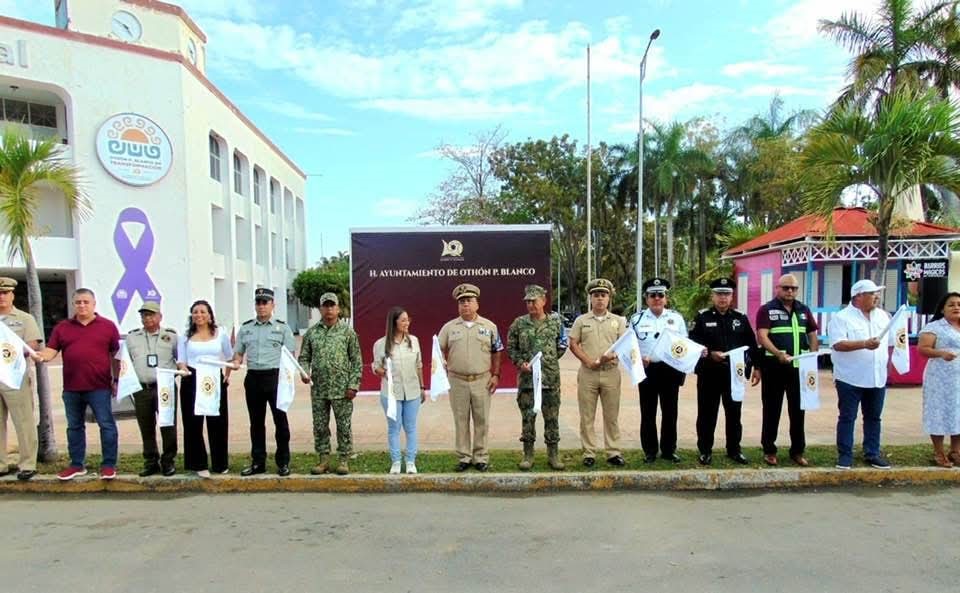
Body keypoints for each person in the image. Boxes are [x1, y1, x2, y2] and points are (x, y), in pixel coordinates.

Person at [31, 288, 120, 481]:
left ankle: (108, 465)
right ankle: (77, 465)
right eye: (78, 302)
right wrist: (41, 356)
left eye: (86, 302)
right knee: (74, 428)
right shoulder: (63, 327)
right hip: (72, 388)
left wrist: (116, 379)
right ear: (73, 304)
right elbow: (51, 350)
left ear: (94, 304)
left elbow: (116, 355)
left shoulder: (108, 326)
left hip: (100, 387)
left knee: (106, 425)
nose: (82, 305)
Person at [689, 277, 760, 465]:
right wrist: (710, 353)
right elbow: (692, 344)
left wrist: (757, 367)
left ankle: (734, 450)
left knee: (734, 414)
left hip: (734, 375)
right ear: (713, 296)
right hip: (709, 374)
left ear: (732, 296)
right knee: (707, 414)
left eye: (727, 294)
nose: (723, 298)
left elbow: (751, 344)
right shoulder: (702, 317)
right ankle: (705, 450)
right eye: (719, 294)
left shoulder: (740, 318)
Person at [438, 283, 503, 472]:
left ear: (477, 304)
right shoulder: (449, 328)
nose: (465, 304)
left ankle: (480, 456)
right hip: (457, 380)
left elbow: (497, 350)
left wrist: (496, 375)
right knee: (461, 420)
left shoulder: (489, 326)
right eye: (462, 302)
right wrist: (441, 362)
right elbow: (438, 349)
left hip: (482, 380)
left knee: (482, 419)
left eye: (469, 300)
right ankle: (464, 457)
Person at [828, 279, 893, 470]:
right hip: (850, 378)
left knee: (874, 417)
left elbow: (889, 344)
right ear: (858, 296)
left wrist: (888, 365)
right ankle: (845, 455)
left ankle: (872, 453)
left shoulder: (883, 316)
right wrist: (864, 344)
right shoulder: (841, 318)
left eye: (877, 293)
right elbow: (838, 344)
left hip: (877, 377)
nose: (876, 297)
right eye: (872, 293)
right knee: (847, 417)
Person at [755, 273, 819, 467]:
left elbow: (812, 334)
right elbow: (762, 336)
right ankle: (769, 450)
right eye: (786, 288)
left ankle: (797, 451)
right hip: (774, 368)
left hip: (798, 370)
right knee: (771, 410)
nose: (790, 291)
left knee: (798, 412)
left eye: (793, 288)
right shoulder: (767, 310)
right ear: (777, 288)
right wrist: (778, 353)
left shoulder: (803, 310)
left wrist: (812, 356)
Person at [232, 288, 296, 477]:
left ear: (272, 305)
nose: (261, 306)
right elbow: (238, 353)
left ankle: (283, 462)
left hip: (275, 378)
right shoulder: (246, 328)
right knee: (256, 423)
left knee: (280, 421)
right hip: (254, 378)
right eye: (258, 302)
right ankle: (258, 462)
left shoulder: (283, 328)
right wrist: (236, 362)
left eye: (265, 302)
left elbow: (290, 356)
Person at [506, 284, 569, 471]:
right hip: (527, 381)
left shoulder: (556, 323)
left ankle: (553, 454)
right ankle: (528, 454)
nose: (531, 305)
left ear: (544, 301)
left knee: (552, 418)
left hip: (550, 380)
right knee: (528, 417)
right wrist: (520, 363)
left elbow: (562, 345)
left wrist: (548, 361)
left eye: (534, 301)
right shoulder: (519, 323)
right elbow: (511, 347)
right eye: (528, 302)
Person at [299, 292, 362, 476]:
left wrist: (353, 385)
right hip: (319, 388)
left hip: (342, 389)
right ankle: (323, 460)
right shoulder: (312, 333)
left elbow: (356, 360)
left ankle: (343, 459)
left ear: (338, 309)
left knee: (343, 425)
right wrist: (304, 372)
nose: (329, 309)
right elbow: (304, 357)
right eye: (325, 306)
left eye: (332, 305)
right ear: (320, 309)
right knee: (320, 426)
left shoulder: (347, 332)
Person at [569, 278, 626, 467]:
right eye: (596, 295)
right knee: (587, 415)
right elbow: (573, 344)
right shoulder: (581, 321)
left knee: (611, 415)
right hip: (588, 373)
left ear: (609, 298)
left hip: (611, 373)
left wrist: (611, 356)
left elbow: (623, 345)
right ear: (590, 298)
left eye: (603, 295)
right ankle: (589, 452)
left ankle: (613, 452)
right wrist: (588, 361)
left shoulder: (618, 321)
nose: (600, 299)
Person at [630, 277, 688, 463]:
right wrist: (638, 359)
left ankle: (669, 450)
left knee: (670, 412)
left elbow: (684, 344)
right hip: (647, 371)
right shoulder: (636, 319)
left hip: (670, 370)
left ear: (666, 298)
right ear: (646, 298)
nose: (657, 298)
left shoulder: (676, 319)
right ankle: (650, 451)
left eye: (660, 295)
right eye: (652, 295)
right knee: (648, 412)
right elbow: (630, 346)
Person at [176, 300, 233, 478]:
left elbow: (229, 357)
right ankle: (198, 463)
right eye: (195, 312)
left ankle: (220, 463)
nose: (199, 315)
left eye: (202, 312)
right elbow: (181, 360)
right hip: (192, 378)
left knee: (218, 422)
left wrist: (227, 375)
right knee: (193, 423)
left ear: (209, 315)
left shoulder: (220, 333)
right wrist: (183, 369)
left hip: (214, 378)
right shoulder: (185, 337)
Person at [124, 301, 179, 477]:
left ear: (160, 317)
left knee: (168, 425)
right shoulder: (132, 337)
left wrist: (176, 374)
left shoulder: (171, 337)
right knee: (146, 427)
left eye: (151, 314)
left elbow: (180, 360)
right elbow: (125, 362)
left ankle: (168, 461)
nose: (147, 318)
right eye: (144, 315)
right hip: (142, 388)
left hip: (165, 388)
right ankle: (150, 462)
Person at [372, 306, 426, 474]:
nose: (407, 323)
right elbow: (375, 366)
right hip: (391, 394)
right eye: (403, 320)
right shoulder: (381, 344)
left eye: (408, 320)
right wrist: (383, 372)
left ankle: (410, 461)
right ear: (394, 322)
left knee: (410, 427)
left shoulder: (414, 341)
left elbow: (419, 365)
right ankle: (396, 461)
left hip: (412, 391)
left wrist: (422, 387)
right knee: (394, 428)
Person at [0, 277, 43, 481]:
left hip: (15, 377)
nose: (1, 297)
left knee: (23, 421)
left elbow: (32, 344)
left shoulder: (24, 319)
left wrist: (11, 351)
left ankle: (27, 464)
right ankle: (1, 464)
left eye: (5, 293)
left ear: (12, 295)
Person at [917, 292, 960, 468]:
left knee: (958, 413)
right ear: (942, 309)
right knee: (939, 412)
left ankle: (956, 451)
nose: (956, 307)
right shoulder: (934, 327)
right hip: (940, 379)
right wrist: (941, 353)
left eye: (959, 304)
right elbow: (922, 349)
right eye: (951, 304)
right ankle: (939, 452)